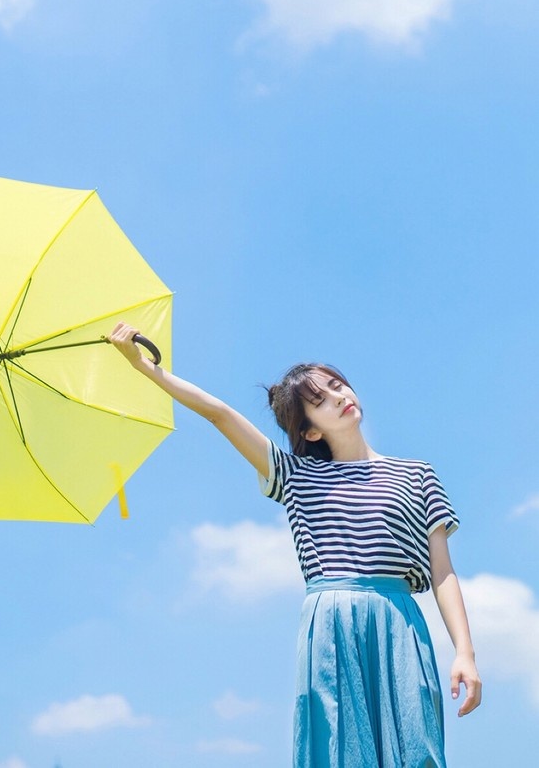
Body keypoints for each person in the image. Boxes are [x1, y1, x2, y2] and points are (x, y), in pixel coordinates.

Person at [109, 322, 482, 768]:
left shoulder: (417, 474)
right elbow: (219, 413)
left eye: (337, 386)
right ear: (310, 432)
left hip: (399, 623)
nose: (338, 398)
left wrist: (465, 652)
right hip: (331, 624)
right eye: (319, 401)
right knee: (339, 751)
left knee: (417, 748)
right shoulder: (295, 475)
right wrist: (144, 367)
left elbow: (442, 571)